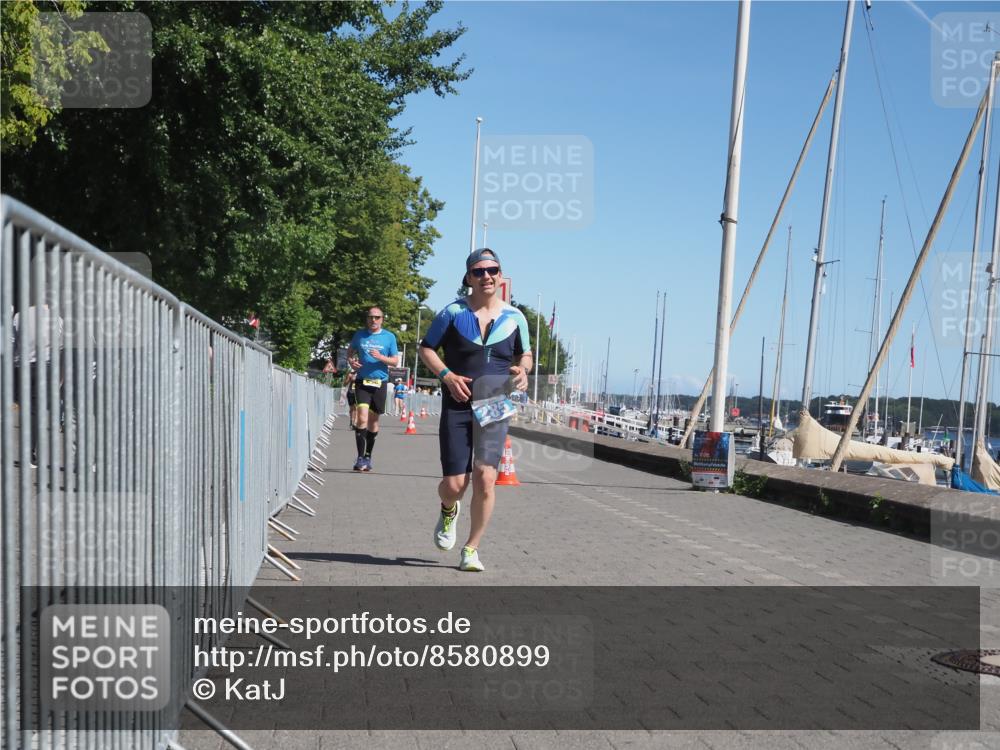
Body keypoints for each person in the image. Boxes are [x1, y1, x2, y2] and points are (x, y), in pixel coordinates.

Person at [419, 249, 532, 572]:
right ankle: (447, 508)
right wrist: (446, 375)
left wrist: (523, 370)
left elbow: (526, 355)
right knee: (455, 485)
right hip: (458, 402)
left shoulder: (515, 317)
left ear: (501, 275)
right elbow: (426, 348)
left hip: (495, 403)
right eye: (479, 271)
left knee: (485, 478)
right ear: (468, 277)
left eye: (493, 270)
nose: (487, 276)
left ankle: (471, 548)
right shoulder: (452, 313)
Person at [347, 306, 400, 472]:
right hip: (362, 381)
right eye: (371, 317)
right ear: (367, 319)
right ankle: (360, 457)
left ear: (382, 319)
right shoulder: (360, 335)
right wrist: (351, 361)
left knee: (373, 421)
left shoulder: (389, 337)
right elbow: (350, 351)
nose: (373, 320)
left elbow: (395, 361)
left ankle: (368, 455)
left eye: (377, 317)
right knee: (361, 418)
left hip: (380, 383)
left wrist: (381, 357)